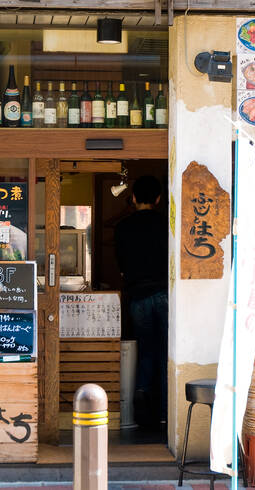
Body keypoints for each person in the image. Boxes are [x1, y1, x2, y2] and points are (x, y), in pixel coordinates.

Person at [114, 175, 168, 428]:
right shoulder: (166, 224)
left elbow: (122, 267)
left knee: (146, 350)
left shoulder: (122, 227)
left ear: (133, 198)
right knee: (167, 351)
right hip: (165, 293)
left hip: (138, 297)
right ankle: (165, 411)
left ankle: (143, 405)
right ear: (158, 199)